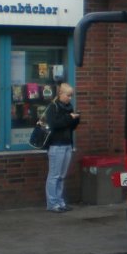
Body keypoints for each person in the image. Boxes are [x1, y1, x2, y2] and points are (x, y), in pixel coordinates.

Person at [44, 82, 81, 213]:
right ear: (61, 94)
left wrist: (76, 119)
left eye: (71, 96)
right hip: (56, 145)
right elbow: (54, 124)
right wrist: (69, 117)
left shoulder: (69, 107)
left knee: (62, 176)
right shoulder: (53, 107)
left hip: (67, 144)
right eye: (68, 95)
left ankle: (60, 202)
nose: (70, 98)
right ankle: (52, 204)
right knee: (54, 175)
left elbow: (71, 127)